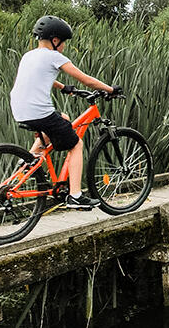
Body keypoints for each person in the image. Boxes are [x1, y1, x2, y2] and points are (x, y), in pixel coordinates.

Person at [9, 15, 121, 210]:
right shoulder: (54, 56)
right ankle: (75, 196)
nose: (64, 47)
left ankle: (29, 159)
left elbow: (42, 76)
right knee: (76, 144)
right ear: (55, 40)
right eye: (63, 42)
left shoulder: (29, 55)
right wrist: (110, 89)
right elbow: (86, 80)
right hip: (39, 111)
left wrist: (63, 87)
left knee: (64, 119)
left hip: (19, 110)